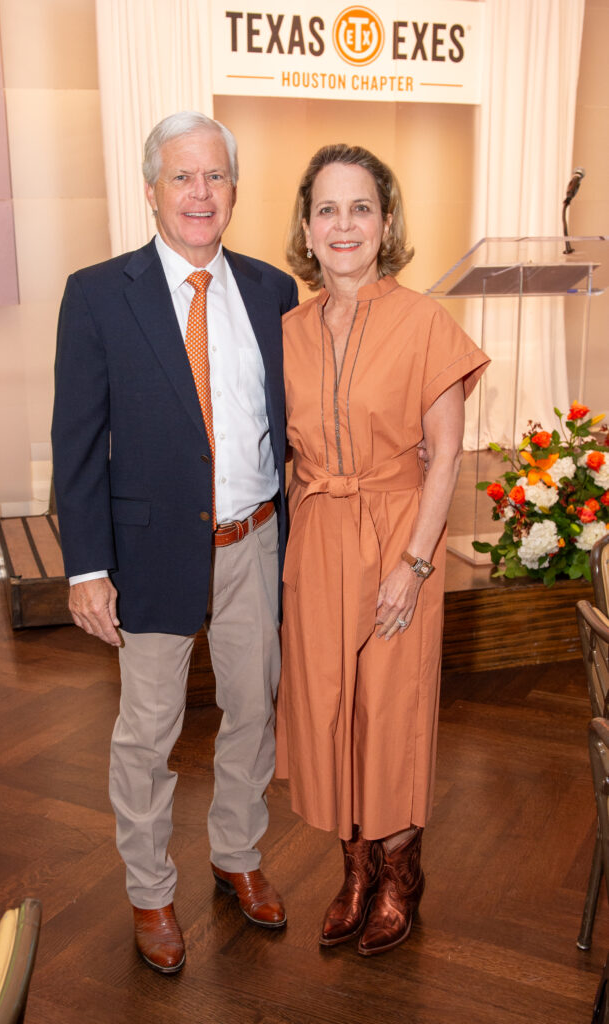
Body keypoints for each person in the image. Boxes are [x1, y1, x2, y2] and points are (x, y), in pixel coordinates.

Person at [51, 111, 298, 975]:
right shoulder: (97, 293)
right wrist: (87, 567)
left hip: (253, 543)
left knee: (254, 711)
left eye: (215, 176)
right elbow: (77, 442)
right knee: (148, 732)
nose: (201, 192)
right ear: (152, 189)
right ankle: (151, 891)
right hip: (148, 552)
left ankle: (237, 854)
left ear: (234, 190)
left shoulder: (272, 291)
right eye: (183, 176)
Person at [275, 144, 489, 956]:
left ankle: (400, 873)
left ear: (387, 222)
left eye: (360, 207)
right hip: (317, 538)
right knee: (329, 705)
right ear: (306, 227)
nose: (344, 225)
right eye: (327, 209)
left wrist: (416, 563)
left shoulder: (425, 321)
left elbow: (448, 452)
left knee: (391, 709)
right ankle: (355, 870)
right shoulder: (286, 331)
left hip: (400, 535)